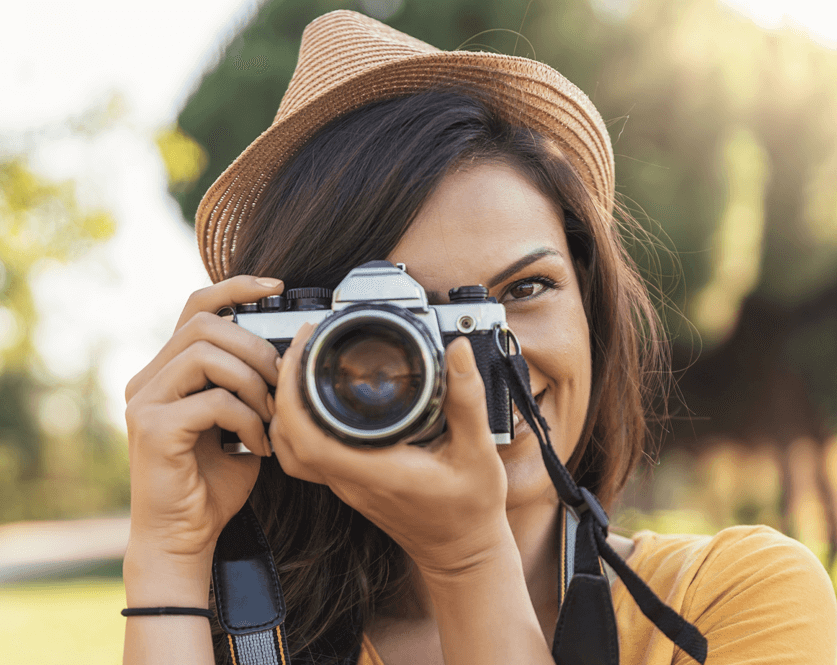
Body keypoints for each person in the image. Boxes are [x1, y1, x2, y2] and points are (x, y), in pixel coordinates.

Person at [121, 10, 836, 665]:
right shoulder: (238, 636)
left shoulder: (729, 600)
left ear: (590, 308)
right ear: (294, 358)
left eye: (523, 291)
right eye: (407, 327)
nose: (471, 362)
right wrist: (167, 549)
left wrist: (465, 559)